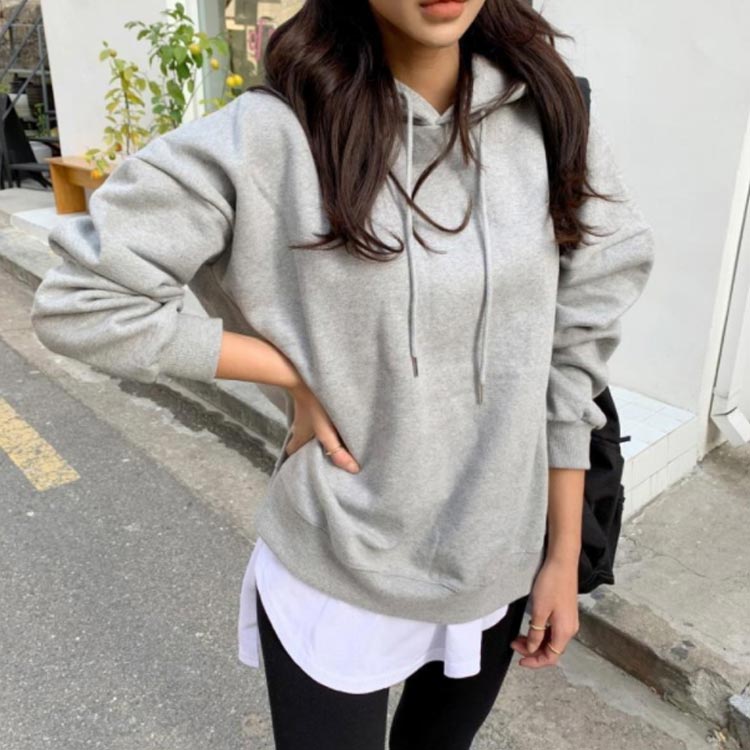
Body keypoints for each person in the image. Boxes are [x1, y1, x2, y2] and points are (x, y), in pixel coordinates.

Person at [29, 0, 656, 747]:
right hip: (338, 561)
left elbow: (573, 353)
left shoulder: (550, 118)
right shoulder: (270, 138)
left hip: (494, 561)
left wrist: (560, 553)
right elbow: (81, 303)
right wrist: (283, 372)